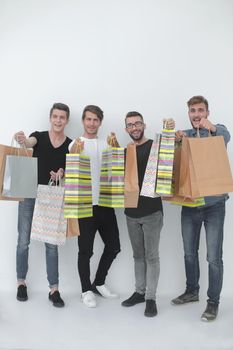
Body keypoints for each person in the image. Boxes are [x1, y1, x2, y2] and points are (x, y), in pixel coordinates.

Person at [171, 95, 230, 322]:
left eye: (200, 110)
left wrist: (211, 127)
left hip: (214, 205)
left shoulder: (218, 131)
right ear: (189, 113)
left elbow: (226, 136)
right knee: (189, 252)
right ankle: (191, 291)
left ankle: (213, 302)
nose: (196, 115)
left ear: (207, 112)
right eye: (193, 111)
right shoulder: (185, 134)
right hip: (190, 203)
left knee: (214, 257)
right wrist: (176, 140)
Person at [14, 102, 72, 307]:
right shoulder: (38, 135)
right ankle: (21, 283)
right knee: (23, 241)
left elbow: (70, 170)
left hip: (52, 196)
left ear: (67, 120)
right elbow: (28, 143)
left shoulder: (70, 144)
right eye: (55, 116)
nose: (58, 120)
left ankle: (54, 289)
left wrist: (61, 174)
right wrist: (22, 139)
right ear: (50, 118)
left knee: (51, 243)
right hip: (29, 192)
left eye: (62, 117)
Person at [121, 111, 175, 317]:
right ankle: (139, 292)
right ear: (126, 129)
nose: (134, 128)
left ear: (144, 125)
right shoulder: (125, 151)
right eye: (130, 125)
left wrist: (169, 130)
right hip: (131, 213)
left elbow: (170, 153)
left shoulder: (155, 146)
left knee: (151, 256)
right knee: (138, 256)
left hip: (152, 211)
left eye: (137, 124)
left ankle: (150, 299)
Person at [69, 105, 120, 308]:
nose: (91, 123)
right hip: (84, 205)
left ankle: (98, 282)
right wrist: (74, 152)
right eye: (88, 119)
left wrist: (116, 149)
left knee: (114, 246)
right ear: (83, 121)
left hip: (105, 204)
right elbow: (72, 161)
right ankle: (85, 290)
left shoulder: (106, 143)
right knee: (85, 251)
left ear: (100, 122)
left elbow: (115, 171)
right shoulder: (76, 143)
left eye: (95, 120)